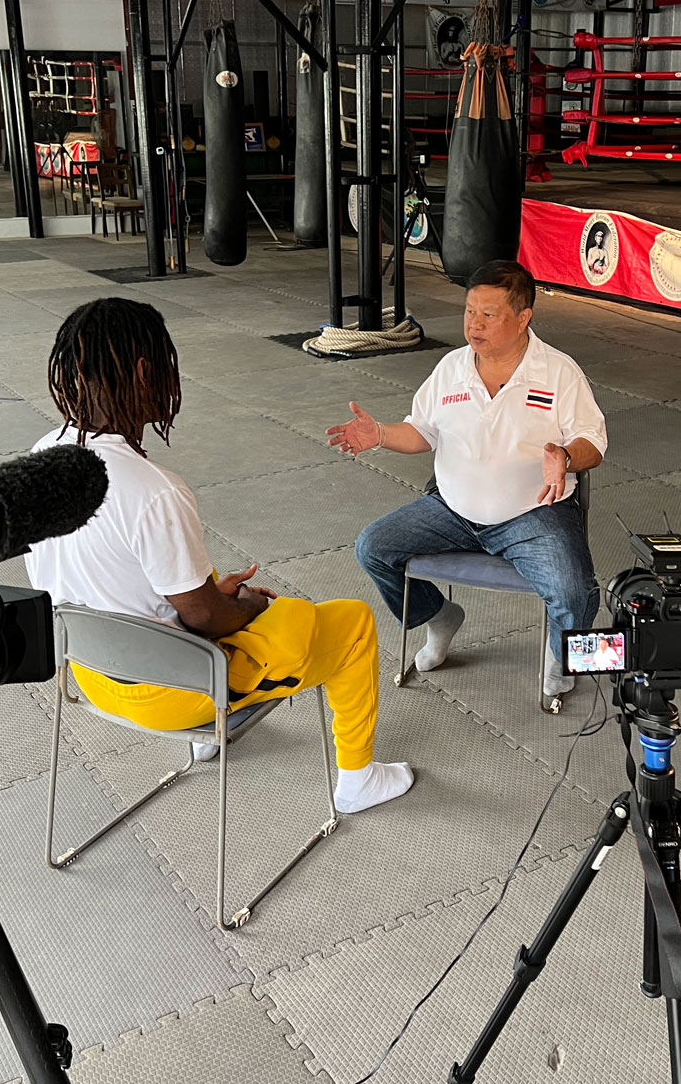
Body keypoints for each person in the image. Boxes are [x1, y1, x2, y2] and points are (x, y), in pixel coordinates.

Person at [25, 298, 413, 815]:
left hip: (92, 673)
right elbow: (205, 617)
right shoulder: (153, 491)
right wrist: (249, 605)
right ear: (145, 372)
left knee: (200, 580)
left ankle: (206, 740)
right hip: (173, 690)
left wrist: (210, 595)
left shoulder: (39, 457)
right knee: (352, 623)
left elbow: (125, 584)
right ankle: (358, 779)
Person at [334, 260, 606, 712]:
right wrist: (381, 434)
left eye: (489, 315)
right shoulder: (451, 368)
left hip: (533, 513)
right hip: (453, 509)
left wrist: (564, 456)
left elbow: (593, 442)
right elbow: (422, 431)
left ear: (523, 318)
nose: (474, 325)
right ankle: (439, 617)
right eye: (469, 312)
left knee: (574, 589)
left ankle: (562, 657)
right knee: (373, 547)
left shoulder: (558, 372)